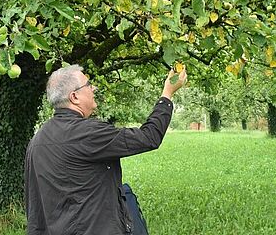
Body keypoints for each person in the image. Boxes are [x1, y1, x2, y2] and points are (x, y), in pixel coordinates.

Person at [25, 64, 187, 235]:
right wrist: (167, 94)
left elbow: (34, 206)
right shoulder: (88, 134)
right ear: (74, 96)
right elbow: (149, 137)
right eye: (88, 85)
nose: (93, 88)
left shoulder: (37, 140)